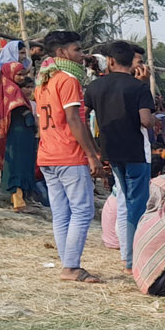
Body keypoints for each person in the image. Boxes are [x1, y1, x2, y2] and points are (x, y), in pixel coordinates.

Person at [36, 30, 104, 284]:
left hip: (47, 153)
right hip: (68, 154)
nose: (82, 54)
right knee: (82, 211)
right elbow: (74, 119)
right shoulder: (67, 80)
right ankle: (71, 266)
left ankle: (68, 264)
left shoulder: (43, 80)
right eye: (77, 49)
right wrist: (92, 154)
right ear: (62, 52)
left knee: (61, 212)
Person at [83, 40, 155, 274]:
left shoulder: (95, 87)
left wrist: (93, 146)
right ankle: (133, 260)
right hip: (136, 151)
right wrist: (156, 120)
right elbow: (145, 120)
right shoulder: (139, 87)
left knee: (123, 200)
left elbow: (83, 116)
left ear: (111, 61)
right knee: (137, 205)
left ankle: (127, 255)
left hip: (111, 150)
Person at [0, 60, 37, 213]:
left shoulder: (7, 87)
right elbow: (19, 108)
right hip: (19, 131)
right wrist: (34, 122)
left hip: (20, 131)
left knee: (21, 162)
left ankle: (19, 199)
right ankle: (19, 203)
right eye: (19, 74)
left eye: (23, 74)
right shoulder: (13, 89)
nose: (21, 78)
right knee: (19, 164)